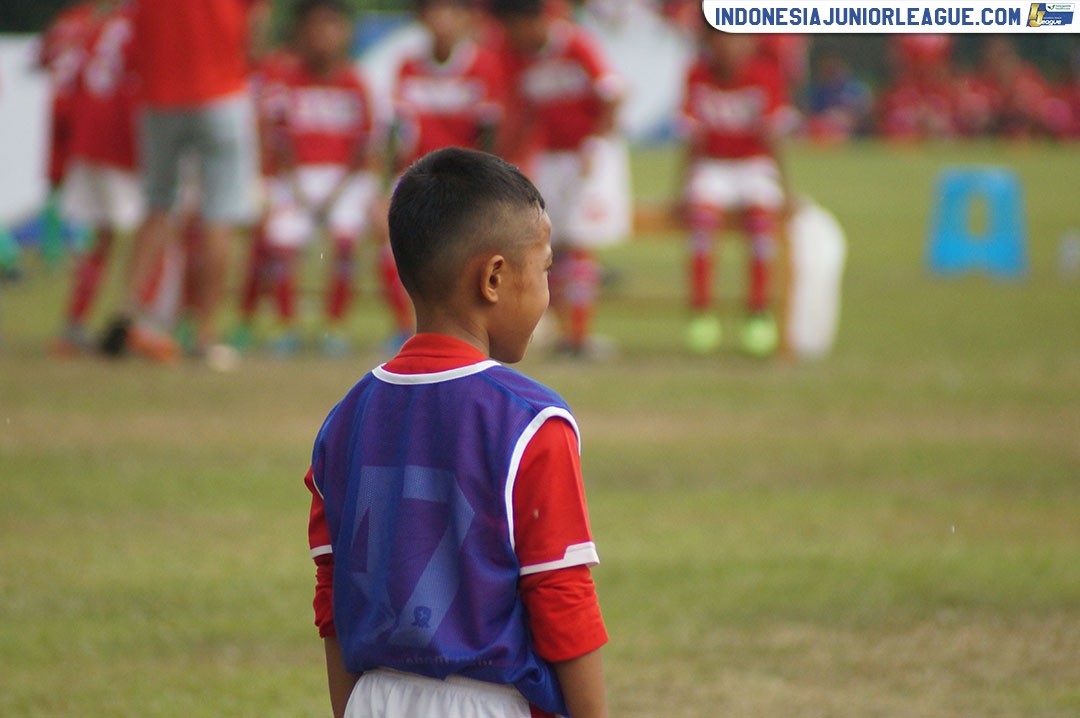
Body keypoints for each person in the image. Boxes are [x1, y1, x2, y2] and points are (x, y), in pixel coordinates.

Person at [304, 148, 608, 718]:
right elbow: (562, 598)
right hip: (488, 704)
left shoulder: (342, 421)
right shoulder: (530, 421)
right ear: (494, 278)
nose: (549, 293)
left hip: (373, 698)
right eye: (544, 270)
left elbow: (334, 599)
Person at [101, 0, 269, 364]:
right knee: (220, 213)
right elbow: (256, 28)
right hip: (223, 91)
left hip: (160, 94)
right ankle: (205, 334)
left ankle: (128, 312)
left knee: (158, 203)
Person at [490, 0, 631, 358]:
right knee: (553, 241)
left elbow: (613, 96)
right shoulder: (514, 54)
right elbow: (520, 112)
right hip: (551, 157)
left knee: (582, 238)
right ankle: (559, 329)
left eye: (517, 24)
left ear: (537, 18)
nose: (514, 34)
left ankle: (580, 337)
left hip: (590, 152)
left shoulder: (575, 43)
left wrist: (596, 142)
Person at [256, 0, 380, 357]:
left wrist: (345, 190)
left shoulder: (355, 80)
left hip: (344, 179)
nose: (323, 37)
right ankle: (286, 326)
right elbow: (278, 140)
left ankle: (334, 326)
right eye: (315, 28)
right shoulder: (287, 79)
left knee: (345, 242)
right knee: (282, 244)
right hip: (295, 178)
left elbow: (363, 143)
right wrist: (293, 186)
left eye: (332, 27)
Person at [679, 28, 791, 357]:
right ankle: (701, 310)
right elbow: (693, 137)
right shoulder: (697, 73)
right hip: (713, 165)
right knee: (700, 220)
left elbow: (774, 136)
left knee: (761, 221)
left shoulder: (765, 73)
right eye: (719, 37)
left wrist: (787, 189)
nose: (727, 45)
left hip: (754, 164)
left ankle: (757, 311)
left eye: (735, 37)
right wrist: (680, 187)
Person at [51, 0, 143, 355]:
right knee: (155, 231)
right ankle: (136, 324)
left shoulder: (92, 24)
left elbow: (66, 86)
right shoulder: (143, 20)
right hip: (122, 142)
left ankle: (74, 323)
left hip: (86, 139)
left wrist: (60, 155)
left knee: (101, 239)